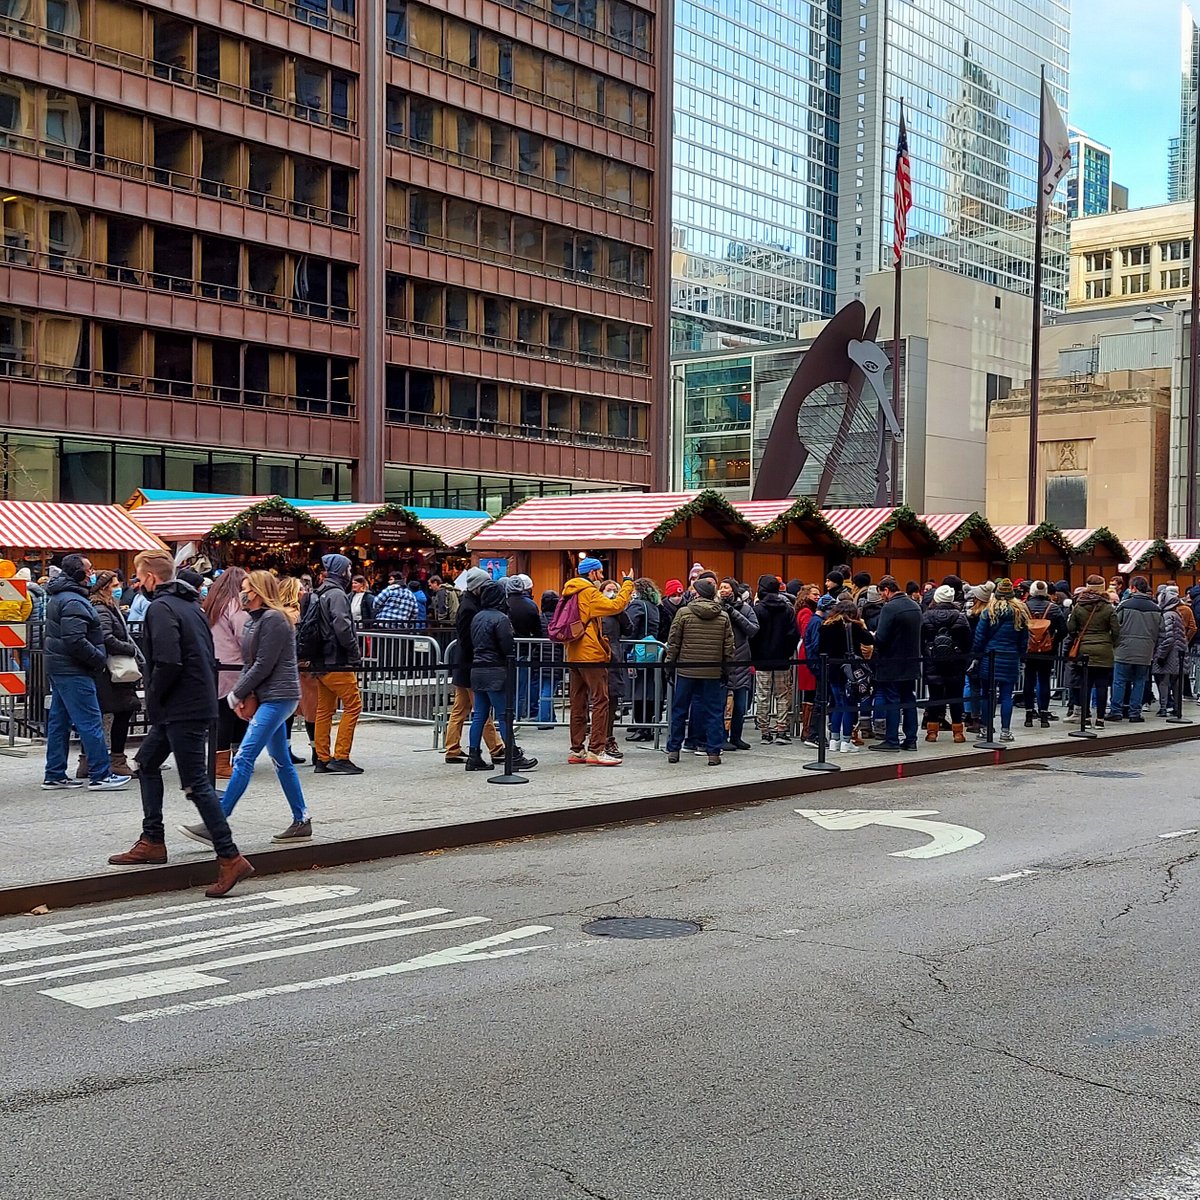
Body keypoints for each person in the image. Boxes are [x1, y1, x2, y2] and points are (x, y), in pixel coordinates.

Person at [108, 551, 254, 898]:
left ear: (151, 578)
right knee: (146, 763)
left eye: (139, 577)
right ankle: (152, 840)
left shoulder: (161, 608)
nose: (136, 584)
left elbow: (169, 661)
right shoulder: (190, 605)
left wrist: (155, 697)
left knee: (196, 784)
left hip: (180, 706)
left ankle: (230, 856)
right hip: (192, 702)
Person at [181, 570, 311, 845]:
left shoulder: (273, 619)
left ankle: (217, 822)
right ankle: (301, 820)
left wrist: (236, 694)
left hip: (278, 696)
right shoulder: (259, 619)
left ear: (260, 591)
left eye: (247, 588)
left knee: (244, 757)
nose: (243, 593)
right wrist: (241, 693)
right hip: (273, 696)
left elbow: (262, 664)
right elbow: (252, 664)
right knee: (280, 761)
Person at [42, 553, 129, 791]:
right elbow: (75, 639)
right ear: (78, 573)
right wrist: (98, 659)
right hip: (74, 669)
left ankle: (55, 773)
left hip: (61, 667)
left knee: (59, 722)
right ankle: (101, 774)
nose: (92, 574)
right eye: (89, 570)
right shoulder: (74, 601)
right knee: (90, 721)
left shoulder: (63, 597)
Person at [560, 557, 634, 766]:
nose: (602, 576)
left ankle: (577, 749)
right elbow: (616, 605)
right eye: (600, 572)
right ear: (592, 573)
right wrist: (628, 583)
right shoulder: (588, 592)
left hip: (573, 652)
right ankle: (596, 749)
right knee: (601, 700)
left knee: (577, 702)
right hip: (591, 654)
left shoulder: (569, 590)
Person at [75, 570, 143, 779]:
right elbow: (106, 637)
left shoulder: (104, 607)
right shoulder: (103, 609)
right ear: (105, 588)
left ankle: (88, 760)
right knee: (122, 712)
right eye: (114, 585)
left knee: (101, 715)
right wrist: (129, 649)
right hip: (110, 672)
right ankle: (116, 759)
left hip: (105, 671)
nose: (119, 588)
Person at [465, 581, 537, 772]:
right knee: (505, 715)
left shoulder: (477, 616)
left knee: (479, 715)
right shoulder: (501, 618)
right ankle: (513, 754)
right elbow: (506, 645)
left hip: (477, 668)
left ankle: (473, 755)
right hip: (495, 669)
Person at [664, 577, 735, 765]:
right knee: (713, 712)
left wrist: (669, 666)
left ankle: (674, 749)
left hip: (687, 670)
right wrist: (726, 670)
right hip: (712, 671)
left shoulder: (684, 613)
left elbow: (674, 642)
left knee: (679, 710)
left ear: (697, 593)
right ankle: (713, 752)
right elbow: (728, 647)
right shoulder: (722, 616)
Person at [310, 553, 364, 775]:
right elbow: (342, 626)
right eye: (348, 568)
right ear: (342, 571)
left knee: (324, 709)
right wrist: (354, 651)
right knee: (353, 705)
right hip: (337, 659)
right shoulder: (337, 595)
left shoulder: (319, 592)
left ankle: (322, 757)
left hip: (320, 660)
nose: (350, 572)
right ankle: (341, 756)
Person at [445, 568, 506, 766]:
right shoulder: (471, 608)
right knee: (481, 708)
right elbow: (468, 637)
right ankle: (496, 747)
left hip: (464, 662)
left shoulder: (469, 604)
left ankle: (452, 747)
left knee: (460, 708)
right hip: (471, 663)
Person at [201, 566, 249, 780]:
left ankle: (220, 758)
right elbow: (243, 634)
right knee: (232, 713)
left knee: (222, 712)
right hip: (234, 664)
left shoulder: (211, 604)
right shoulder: (235, 604)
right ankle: (225, 761)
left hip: (214, 663)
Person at [971, 579, 1029, 741]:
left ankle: (985, 728)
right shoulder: (1020, 613)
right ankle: (1005, 731)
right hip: (1010, 657)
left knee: (987, 695)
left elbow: (980, 637)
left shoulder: (988, 611)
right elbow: (1024, 639)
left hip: (990, 658)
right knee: (1006, 696)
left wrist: (977, 656)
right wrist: (1022, 657)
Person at [870, 575, 922, 751]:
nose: (881, 597)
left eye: (881, 593)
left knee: (892, 699)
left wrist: (872, 636)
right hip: (912, 661)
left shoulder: (890, 608)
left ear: (886, 590)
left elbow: (882, 638)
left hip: (892, 661)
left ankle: (891, 739)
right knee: (909, 699)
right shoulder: (915, 606)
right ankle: (911, 739)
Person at [817, 597, 874, 753]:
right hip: (850, 671)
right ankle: (846, 740)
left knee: (837, 704)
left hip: (832, 670)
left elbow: (820, 650)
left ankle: (834, 739)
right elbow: (869, 640)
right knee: (849, 705)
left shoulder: (825, 626)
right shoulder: (853, 626)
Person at [1067, 575, 1120, 728]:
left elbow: (1071, 628)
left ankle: (1085, 717)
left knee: (1086, 685)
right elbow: (1116, 630)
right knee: (1102, 685)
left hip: (1084, 649)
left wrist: (1078, 636)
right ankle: (1100, 719)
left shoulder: (1079, 605)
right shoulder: (1108, 607)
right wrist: (1111, 643)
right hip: (1104, 649)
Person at [921, 584, 971, 743]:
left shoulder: (927, 615)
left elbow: (920, 638)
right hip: (955, 661)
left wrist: (926, 652)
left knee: (935, 697)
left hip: (933, 660)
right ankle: (958, 732)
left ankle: (932, 732)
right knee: (956, 696)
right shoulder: (960, 617)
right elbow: (968, 641)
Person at [750, 574, 797, 744]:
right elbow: (793, 634)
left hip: (762, 658)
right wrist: (787, 652)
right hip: (782, 658)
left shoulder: (758, 609)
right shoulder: (787, 609)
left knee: (762, 694)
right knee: (783, 694)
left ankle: (764, 731)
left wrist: (754, 655)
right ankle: (781, 728)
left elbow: (753, 635)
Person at [1108, 576, 1161, 722]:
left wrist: (1115, 643)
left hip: (1124, 649)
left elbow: (1115, 626)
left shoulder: (1125, 605)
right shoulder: (1156, 608)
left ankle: (1116, 711)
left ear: (1133, 588)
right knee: (1139, 681)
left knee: (1119, 680)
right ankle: (1135, 713)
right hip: (1145, 651)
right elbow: (1161, 630)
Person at [718, 578, 759, 751]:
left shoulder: (746, 608)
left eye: (726, 587)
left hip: (741, 660)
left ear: (734, 591)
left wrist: (734, 613)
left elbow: (753, 629)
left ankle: (736, 736)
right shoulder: (716, 607)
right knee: (721, 704)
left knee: (740, 704)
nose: (723, 590)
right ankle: (721, 736)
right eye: (721, 587)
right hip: (722, 660)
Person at [1022, 580, 1067, 728]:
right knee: (1044, 680)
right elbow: (1063, 629)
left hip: (1029, 650)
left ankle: (1029, 714)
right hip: (1047, 650)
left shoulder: (1024, 607)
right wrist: (1053, 643)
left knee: (1028, 680)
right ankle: (1044, 714)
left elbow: (1018, 628)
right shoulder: (1053, 608)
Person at [597, 579, 634, 758]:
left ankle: (608, 738)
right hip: (596, 658)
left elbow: (629, 629)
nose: (611, 593)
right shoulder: (595, 608)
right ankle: (595, 740)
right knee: (596, 701)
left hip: (613, 659)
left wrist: (620, 610)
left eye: (614, 590)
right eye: (608, 590)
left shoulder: (618, 612)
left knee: (611, 701)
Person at [625, 578, 663, 742]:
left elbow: (630, 628)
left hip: (638, 650)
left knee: (639, 690)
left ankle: (642, 727)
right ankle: (649, 725)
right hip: (652, 650)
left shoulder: (637, 605)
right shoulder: (654, 606)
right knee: (649, 688)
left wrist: (624, 649)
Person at [505, 574, 542, 720]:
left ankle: (504, 716)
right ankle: (518, 717)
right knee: (521, 687)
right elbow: (538, 630)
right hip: (525, 649)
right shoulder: (530, 605)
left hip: (505, 650)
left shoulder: (503, 604)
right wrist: (533, 644)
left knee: (506, 686)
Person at [1154, 586, 1189, 717]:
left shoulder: (1167, 615)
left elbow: (1168, 637)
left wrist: (1161, 655)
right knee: (1176, 683)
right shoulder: (1176, 614)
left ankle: (1163, 708)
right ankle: (1176, 707)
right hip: (1178, 653)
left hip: (1169, 654)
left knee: (1163, 681)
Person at [794, 584, 820, 746]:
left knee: (810, 692)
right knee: (810, 691)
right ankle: (807, 729)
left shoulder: (806, 610)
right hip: (808, 652)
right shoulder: (806, 612)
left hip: (806, 650)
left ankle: (807, 727)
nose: (817, 596)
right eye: (814, 594)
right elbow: (807, 632)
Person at [537, 589, 562, 727]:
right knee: (549, 688)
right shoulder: (558, 619)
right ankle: (543, 719)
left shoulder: (539, 618)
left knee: (545, 686)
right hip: (555, 656)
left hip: (540, 656)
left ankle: (549, 717)